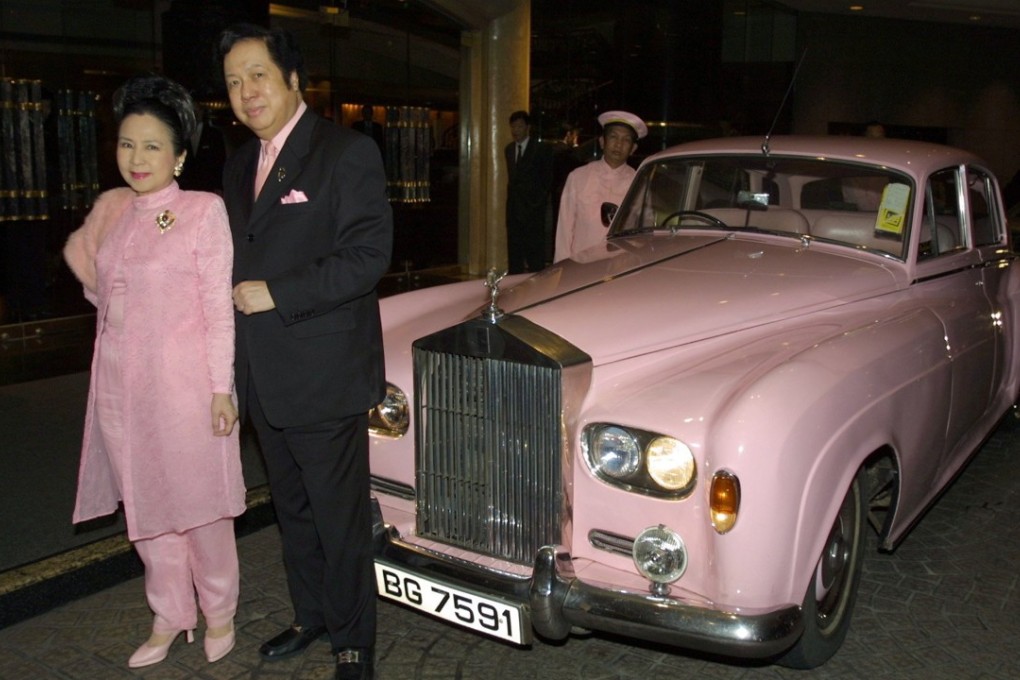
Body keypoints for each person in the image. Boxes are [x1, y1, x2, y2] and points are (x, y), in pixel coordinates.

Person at [217, 23, 392, 680]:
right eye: (234, 81)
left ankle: (354, 641)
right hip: (264, 376)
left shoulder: (345, 153)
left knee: (338, 515)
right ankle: (311, 614)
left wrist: (277, 293)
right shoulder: (238, 164)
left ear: (294, 80)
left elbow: (369, 256)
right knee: (291, 509)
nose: (246, 91)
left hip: (323, 372)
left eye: (258, 74)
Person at [62, 75, 245, 669]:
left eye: (152, 147)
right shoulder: (114, 212)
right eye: (126, 144)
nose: (136, 159)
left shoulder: (201, 211)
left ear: (180, 157)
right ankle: (169, 613)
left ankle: (219, 611)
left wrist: (222, 388)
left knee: (199, 505)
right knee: (145, 509)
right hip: (120, 385)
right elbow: (107, 295)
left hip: (184, 384)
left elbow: (218, 309)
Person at [554, 110, 646, 262]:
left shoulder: (639, 182)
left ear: (633, 149)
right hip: (581, 265)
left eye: (626, 140)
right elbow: (564, 230)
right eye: (613, 137)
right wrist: (562, 270)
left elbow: (643, 231)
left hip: (620, 267)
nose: (618, 144)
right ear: (602, 142)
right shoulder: (578, 177)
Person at [504, 110, 553, 273]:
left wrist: (536, 204)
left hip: (533, 211)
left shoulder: (540, 149)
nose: (515, 130)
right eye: (513, 127)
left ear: (528, 127)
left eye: (519, 126)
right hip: (513, 211)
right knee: (514, 255)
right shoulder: (509, 150)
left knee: (534, 256)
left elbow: (547, 181)